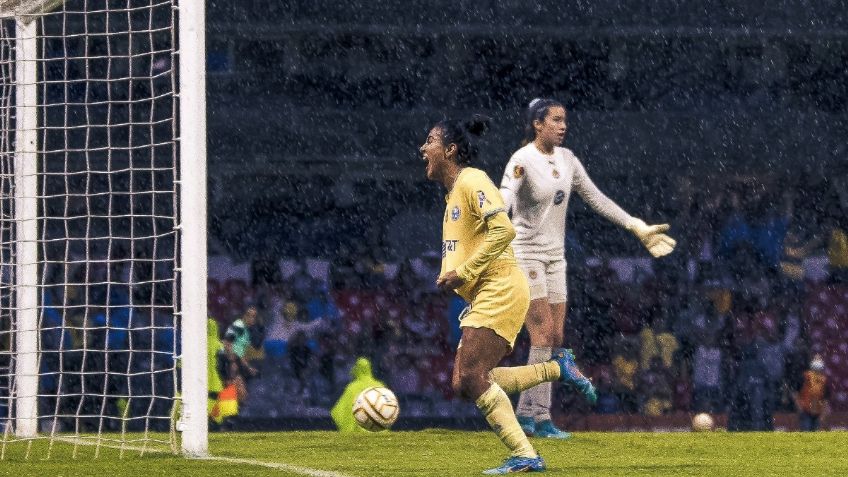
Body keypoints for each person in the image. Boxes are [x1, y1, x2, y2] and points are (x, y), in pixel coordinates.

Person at [420, 114, 594, 474]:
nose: (424, 148)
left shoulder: (472, 180)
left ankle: (526, 453)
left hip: (500, 287)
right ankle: (555, 367)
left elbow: (503, 231)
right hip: (486, 292)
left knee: (471, 376)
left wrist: (464, 272)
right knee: (465, 383)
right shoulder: (454, 192)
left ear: (450, 150)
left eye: (431, 142)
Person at [499, 98, 677, 437]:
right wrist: (491, 224)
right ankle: (529, 417)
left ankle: (537, 415)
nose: (563, 126)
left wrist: (635, 225)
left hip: (556, 257)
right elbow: (504, 199)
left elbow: (596, 198)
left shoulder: (568, 160)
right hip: (525, 254)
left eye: (565, 120)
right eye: (555, 120)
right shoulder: (521, 160)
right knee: (542, 333)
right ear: (538, 124)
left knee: (556, 337)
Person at [330, 357, 386, 433]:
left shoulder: (352, 387)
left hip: (357, 433)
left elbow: (339, 412)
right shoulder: (380, 385)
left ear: (356, 369)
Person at [793, 355, 831, 431]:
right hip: (805, 410)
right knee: (806, 432)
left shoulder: (824, 380)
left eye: (819, 360)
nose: (818, 362)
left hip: (818, 412)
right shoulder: (804, 376)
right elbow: (796, 393)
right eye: (816, 359)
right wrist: (799, 406)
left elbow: (826, 399)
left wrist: (823, 413)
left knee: (815, 434)